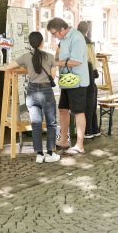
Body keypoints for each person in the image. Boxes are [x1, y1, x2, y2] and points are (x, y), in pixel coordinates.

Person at [4, 32, 60, 163]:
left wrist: (24, 65)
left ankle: (39, 154)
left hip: (31, 91)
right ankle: (51, 153)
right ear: (42, 42)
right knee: (51, 123)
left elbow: (8, 67)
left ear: (30, 43)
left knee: (36, 124)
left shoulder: (26, 57)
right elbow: (52, 77)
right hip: (46, 91)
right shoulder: (50, 57)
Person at [48, 17, 89, 156]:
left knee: (78, 111)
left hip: (77, 82)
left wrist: (56, 64)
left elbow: (76, 61)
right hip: (67, 80)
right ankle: (64, 140)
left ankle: (79, 145)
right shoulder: (64, 38)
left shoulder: (76, 38)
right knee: (63, 109)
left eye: (54, 34)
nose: (54, 37)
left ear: (62, 29)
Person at [76, 21, 101, 139]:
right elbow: (96, 75)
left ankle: (88, 131)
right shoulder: (91, 62)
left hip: (86, 88)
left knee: (87, 110)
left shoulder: (84, 63)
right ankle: (95, 129)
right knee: (92, 110)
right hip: (93, 88)